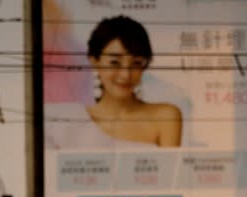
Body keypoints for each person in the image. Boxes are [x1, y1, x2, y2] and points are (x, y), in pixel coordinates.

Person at [46, 15, 182, 149]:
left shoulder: (165, 116)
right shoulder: (66, 121)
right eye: (115, 62)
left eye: (136, 63)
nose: (125, 75)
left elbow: (171, 170)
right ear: (95, 61)